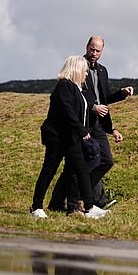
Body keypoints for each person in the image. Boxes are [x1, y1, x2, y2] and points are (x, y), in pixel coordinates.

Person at [48, 36, 133, 213]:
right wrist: (93, 107)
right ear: (87, 47)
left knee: (106, 161)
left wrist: (122, 94)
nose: (94, 53)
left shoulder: (102, 70)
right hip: (83, 122)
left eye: (98, 50)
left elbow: (105, 97)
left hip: (98, 125)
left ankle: (81, 197)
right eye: (92, 49)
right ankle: (69, 202)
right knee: (76, 166)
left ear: (102, 51)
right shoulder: (79, 67)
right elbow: (76, 94)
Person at [30, 55, 108, 219]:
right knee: (49, 169)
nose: (86, 74)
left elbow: (81, 113)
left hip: (71, 138)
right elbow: (68, 112)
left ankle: (89, 207)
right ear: (76, 70)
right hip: (58, 137)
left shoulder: (78, 89)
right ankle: (36, 207)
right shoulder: (64, 86)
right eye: (84, 71)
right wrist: (83, 131)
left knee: (81, 169)